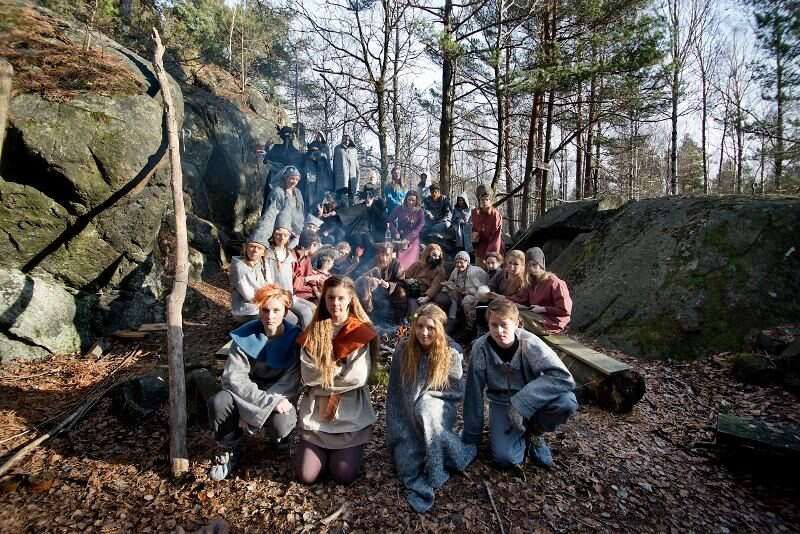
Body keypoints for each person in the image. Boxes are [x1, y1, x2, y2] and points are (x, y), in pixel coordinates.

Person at [462, 297, 577, 469]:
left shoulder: (530, 343)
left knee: (566, 402)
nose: (499, 331)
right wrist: (471, 438)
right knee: (506, 459)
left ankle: (535, 433)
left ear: (516, 324)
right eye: (494, 325)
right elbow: (473, 393)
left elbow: (562, 377)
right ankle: (516, 434)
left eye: (504, 325)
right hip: (502, 403)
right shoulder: (480, 348)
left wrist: (521, 403)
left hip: (534, 400)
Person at [386, 304, 476, 513]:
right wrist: (396, 428)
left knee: (426, 410)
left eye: (430, 328)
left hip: (439, 407)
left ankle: (437, 467)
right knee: (406, 466)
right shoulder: (403, 350)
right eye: (420, 326)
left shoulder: (451, 352)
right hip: (407, 412)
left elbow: (455, 391)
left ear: (440, 329)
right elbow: (395, 392)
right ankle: (424, 446)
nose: (424, 333)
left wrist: (426, 398)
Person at [207, 284, 302, 481]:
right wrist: (263, 404)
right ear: (259, 310)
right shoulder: (244, 336)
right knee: (220, 401)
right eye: (265, 310)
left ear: (285, 311)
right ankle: (228, 447)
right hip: (246, 395)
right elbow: (234, 378)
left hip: (279, 395)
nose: (270, 316)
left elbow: (290, 381)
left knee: (282, 421)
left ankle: (279, 441)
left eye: (276, 310)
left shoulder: (295, 338)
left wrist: (267, 405)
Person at [294, 276, 378, 484]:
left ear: (350, 299)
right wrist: (339, 371)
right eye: (330, 297)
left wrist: (324, 377)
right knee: (306, 476)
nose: (335, 303)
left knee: (343, 476)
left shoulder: (359, 331)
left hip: (349, 413)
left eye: (341, 298)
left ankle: (347, 451)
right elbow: (308, 374)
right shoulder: (315, 330)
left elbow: (357, 377)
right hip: (316, 414)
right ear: (324, 299)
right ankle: (321, 452)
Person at [265, 218, 316, 327]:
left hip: (289, 294)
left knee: (309, 309)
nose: (281, 238)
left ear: (289, 237)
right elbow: (267, 280)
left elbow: (290, 280)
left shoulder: (288, 254)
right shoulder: (267, 254)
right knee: (298, 316)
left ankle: (307, 335)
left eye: (285, 235)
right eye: (278, 234)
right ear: (273, 235)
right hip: (274, 295)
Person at [510, 247, 573, 334]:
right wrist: (503, 299)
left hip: (552, 322)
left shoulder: (555, 282)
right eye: (528, 265)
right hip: (536, 316)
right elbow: (520, 298)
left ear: (541, 265)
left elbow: (565, 310)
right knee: (508, 310)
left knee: (516, 317)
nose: (531, 268)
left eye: (534, 264)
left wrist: (543, 309)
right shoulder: (531, 282)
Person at [435, 250, 488, 330]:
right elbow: (450, 281)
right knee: (446, 296)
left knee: (467, 301)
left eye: (461, 262)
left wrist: (469, 292)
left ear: (467, 262)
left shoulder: (475, 272)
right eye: (457, 262)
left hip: (473, 295)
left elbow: (482, 289)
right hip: (459, 294)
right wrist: (446, 287)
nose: (459, 265)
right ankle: (451, 318)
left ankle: (471, 326)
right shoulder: (455, 270)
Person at [355, 242, 406, 323]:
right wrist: (371, 280)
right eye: (382, 254)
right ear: (378, 254)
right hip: (373, 291)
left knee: (401, 292)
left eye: (387, 255)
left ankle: (398, 320)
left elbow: (402, 282)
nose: (384, 258)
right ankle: (368, 317)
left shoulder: (396, 264)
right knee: (364, 286)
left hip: (390, 291)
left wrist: (389, 285)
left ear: (391, 255)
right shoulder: (372, 262)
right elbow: (359, 276)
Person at [229, 226, 272, 323]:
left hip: (262, 304)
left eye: (259, 248)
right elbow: (249, 296)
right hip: (247, 310)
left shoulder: (263, 264)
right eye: (252, 246)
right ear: (246, 248)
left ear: (263, 252)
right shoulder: (239, 266)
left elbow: (269, 284)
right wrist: (269, 299)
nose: (255, 250)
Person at [476, 250, 526, 331]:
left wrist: (501, 297)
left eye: (516, 264)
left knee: (487, 309)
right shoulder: (502, 273)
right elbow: (492, 284)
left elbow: (521, 299)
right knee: (480, 305)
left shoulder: (524, 280)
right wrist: (489, 292)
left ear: (522, 265)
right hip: (497, 300)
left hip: (512, 305)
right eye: (510, 263)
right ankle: (481, 331)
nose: (512, 267)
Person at [257, 165, 305, 246]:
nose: (294, 181)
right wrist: (285, 229)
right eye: (292, 178)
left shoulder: (298, 192)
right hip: (280, 230)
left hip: (296, 230)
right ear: (285, 178)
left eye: (297, 179)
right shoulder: (278, 192)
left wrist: (298, 229)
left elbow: (300, 212)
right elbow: (271, 213)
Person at [402, 243, 446, 315]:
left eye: (438, 256)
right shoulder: (418, 264)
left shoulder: (440, 270)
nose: (436, 258)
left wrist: (427, 297)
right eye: (434, 255)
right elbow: (405, 275)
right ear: (427, 253)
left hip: (424, 292)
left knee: (414, 309)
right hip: (412, 288)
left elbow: (435, 286)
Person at [388, 190, 425, 270]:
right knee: (398, 262)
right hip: (400, 237)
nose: (411, 202)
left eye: (413, 200)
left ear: (416, 201)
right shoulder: (399, 208)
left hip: (413, 238)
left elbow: (420, 226)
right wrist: (395, 232)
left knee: (412, 261)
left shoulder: (420, 211)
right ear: (406, 199)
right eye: (409, 200)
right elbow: (389, 221)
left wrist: (408, 238)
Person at [471, 184, 503, 264]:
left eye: (487, 199)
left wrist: (492, 254)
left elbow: (496, 237)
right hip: (480, 247)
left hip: (494, 247)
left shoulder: (495, 215)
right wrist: (475, 235)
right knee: (479, 268)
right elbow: (474, 229)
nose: (484, 201)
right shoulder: (475, 213)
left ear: (491, 201)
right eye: (482, 199)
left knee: (492, 267)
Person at [293, 230, 324, 303]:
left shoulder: (307, 258)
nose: (317, 250)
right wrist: (310, 278)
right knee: (311, 308)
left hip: (307, 293)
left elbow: (311, 279)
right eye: (317, 246)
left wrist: (317, 293)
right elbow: (293, 283)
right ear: (313, 244)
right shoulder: (292, 257)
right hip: (295, 293)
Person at [333, 134, 359, 205]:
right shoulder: (337, 149)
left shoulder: (354, 150)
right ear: (342, 139)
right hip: (341, 182)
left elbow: (357, 167)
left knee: (351, 203)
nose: (347, 141)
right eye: (345, 139)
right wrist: (334, 182)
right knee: (342, 204)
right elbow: (335, 166)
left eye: (348, 139)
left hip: (352, 181)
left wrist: (357, 184)